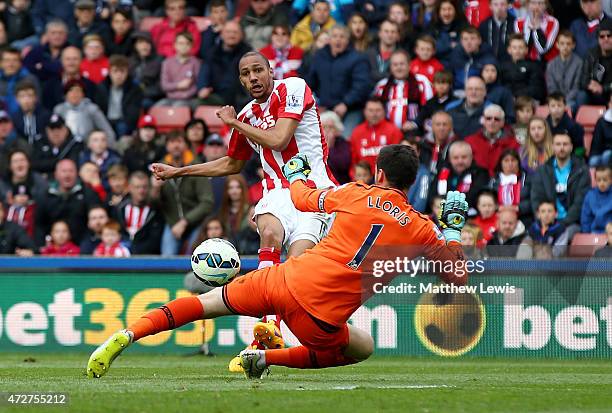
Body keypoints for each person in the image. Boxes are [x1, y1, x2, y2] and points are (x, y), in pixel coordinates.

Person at [87, 145, 469, 379]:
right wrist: (452, 229)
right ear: (412, 182)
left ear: (380, 174)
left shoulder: (355, 193)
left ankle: (129, 334)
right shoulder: (423, 230)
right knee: (361, 347)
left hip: (283, 279)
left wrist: (298, 172)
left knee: (205, 304)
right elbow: (456, 279)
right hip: (318, 318)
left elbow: (302, 198)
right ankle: (265, 358)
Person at [151, 51, 338, 369]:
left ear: (270, 71)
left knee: (295, 265)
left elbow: (279, 139)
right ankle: (269, 330)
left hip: (313, 189)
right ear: (240, 79)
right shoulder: (248, 114)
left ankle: (278, 331)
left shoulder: (293, 88)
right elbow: (231, 163)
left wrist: (234, 122)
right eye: (245, 74)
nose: (253, 78)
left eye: (258, 71)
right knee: (269, 232)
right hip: (277, 192)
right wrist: (177, 172)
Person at [151, 131, 214, 256]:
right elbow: (153, 205)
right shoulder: (160, 167)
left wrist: (185, 222)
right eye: (172, 142)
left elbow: (207, 202)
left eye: (179, 142)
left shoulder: (196, 166)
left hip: (197, 222)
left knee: (195, 256)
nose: (176, 146)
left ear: (185, 145)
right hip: (172, 223)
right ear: (167, 146)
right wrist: (155, 189)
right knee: (167, 259)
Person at [305, 24, 371, 136]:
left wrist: (345, 103)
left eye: (342, 37)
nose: (338, 40)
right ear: (329, 39)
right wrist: (315, 103)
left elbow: (361, 86)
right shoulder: (319, 56)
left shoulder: (358, 58)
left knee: (346, 138)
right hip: (325, 108)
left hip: (351, 109)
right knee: (318, 139)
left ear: (347, 40)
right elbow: (310, 82)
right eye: (335, 36)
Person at [530, 132, 591, 237]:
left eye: (565, 144)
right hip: (546, 222)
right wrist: (545, 220)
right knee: (527, 241)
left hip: (571, 224)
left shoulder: (582, 170)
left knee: (560, 240)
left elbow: (580, 203)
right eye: (558, 144)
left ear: (571, 147)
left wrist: (562, 224)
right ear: (552, 147)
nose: (561, 148)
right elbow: (536, 199)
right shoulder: (543, 170)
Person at [34, 158, 99, 246]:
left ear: (77, 174)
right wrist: (41, 247)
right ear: (56, 174)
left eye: (71, 171)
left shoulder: (88, 194)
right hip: (52, 248)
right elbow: (39, 225)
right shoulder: (45, 196)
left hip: (82, 248)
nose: (67, 175)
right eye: (64, 171)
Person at [196, 21, 252, 108]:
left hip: (240, 98)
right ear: (221, 34)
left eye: (235, 32)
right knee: (195, 104)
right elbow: (205, 72)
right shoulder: (212, 53)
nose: (231, 35)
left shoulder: (248, 54)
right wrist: (202, 88)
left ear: (241, 35)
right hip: (216, 94)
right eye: (228, 32)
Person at [374, 50, 432, 134]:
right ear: (390, 67)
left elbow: (429, 107)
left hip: (415, 131)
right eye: (395, 65)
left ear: (409, 65)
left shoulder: (421, 81)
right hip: (388, 134)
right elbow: (377, 111)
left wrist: (415, 123)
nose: (399, 67)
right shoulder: (382, 85)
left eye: (402, 64)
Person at [429, 140, 489, 214]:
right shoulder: (441, 172)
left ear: (471, 157)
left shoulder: (480, 173)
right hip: (440, 215)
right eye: (456, 158)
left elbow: (474, 198)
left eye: (464, 157)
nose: (460, 161)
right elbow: (432, 196)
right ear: (450, 159)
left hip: (469, 217)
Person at [53, 79, 116, 145]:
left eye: (78, 91)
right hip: (65, 148)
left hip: (88, 148)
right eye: (71, 91)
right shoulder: (59, 110)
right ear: (65, 95)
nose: (74, 94)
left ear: (83, 94)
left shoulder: (92, 109)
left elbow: (107, 131)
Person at [349, 97, 403, 174]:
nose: (374, 114)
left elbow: (397, 159)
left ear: (384, 111)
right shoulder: (357, 132)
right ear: (364, 112)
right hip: (363, 182)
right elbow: (353, 161)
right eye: (370, 110)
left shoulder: (394, 131)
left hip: (386, 180)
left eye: (378, 110)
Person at [465, 104, 520, 177]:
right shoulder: (470, 141)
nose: (492, 121)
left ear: (502, 123)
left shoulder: (513, 143)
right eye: (488, 118)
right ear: (483, 121)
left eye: (496, 119)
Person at [116, 171, 164, 254]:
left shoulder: (155, 211)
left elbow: (155, 240)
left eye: (144, 187)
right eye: (137, 187)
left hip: (146, 259)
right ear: (130, 188)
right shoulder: (120, 209)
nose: (141, 191)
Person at [95, 54, 143, 137]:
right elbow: (98, 109)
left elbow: (133, 113)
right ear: (109, 72)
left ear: (127, 72)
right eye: (115, 71)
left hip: (123, 121)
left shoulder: (134, 89)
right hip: (106, 121)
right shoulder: (101, 87)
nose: (119, 75)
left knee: (122, 127)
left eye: (122, 71)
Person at [447, 26, 497, 95]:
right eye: (465, 39)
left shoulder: (488, 57)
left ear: (479, 40)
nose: (469, 42)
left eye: (472, 39)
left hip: (480, 94)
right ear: (461, 42)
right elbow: (449, 75)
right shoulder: (455, 55)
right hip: (457, 93)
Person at [158, 31, 201, 107]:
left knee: (178, 107)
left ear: (191, 46)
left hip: (188, 99)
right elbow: (164, 85)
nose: (184, 46)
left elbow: (198, 85)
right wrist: (178, 85)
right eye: (181, 43)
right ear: (175, 45)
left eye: (187, 43)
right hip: (170, 98)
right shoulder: (167, 63)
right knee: (157, 108)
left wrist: (186, 94)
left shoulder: (196, 63)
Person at [499, 34, 545, 102]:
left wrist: (516, 96)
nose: (517, 50)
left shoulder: (534, 65)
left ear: (526, 50)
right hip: (507, 99)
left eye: (520, 47)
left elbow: (536, 89)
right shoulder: (502, 66)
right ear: (509, 50)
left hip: (528, 100)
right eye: (514, 47)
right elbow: (499, 86)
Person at [579, 18, 612, 105]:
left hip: (609, 93)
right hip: (595, 93)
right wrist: (589, 85)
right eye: (602, 36)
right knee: (582, 95)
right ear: (598, 39)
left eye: (609, 36)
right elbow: (583, 79)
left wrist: (603, 88)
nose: (606, 39)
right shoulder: (591, 54)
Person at [129, 31, 164, 110]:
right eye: (141, 42)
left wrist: (142, 93)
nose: (144, 45)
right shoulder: (130, 61)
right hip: (132, 97)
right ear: (135, 46)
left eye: (147, 42)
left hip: (151, 97)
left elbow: (160, 86)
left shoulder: (159, 61)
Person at [427, 0, 468, 66]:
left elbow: (465, 47)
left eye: (450, 9)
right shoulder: (432, 27)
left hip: (459, 64)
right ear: (438, 12)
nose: (447, 13)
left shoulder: (464, 26)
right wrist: (449, 46)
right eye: (443, 9)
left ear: (455, 11)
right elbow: (429, 48)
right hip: (436, 65)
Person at [0, 47, 40, 116]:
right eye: (7, 60)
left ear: (20, 63)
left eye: (15, 60)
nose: (11, 64)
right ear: (1, 63)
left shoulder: (30, 80)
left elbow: (37, 103)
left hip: (24, 119)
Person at [11, 80, 50, 144]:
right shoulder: (14, 118)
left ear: (36, 97)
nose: (26, 100)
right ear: (16, 99)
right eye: (22, 96)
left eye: (30, 95)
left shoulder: (46, 116)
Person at [321, 110, 351, 184]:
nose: (327, 130)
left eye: (331, 127)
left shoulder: (342, 143)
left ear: (337, 130)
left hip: (340, 183)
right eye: (324, 127)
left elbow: (343, 165)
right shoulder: (315, 143)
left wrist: (329, 148)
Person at [218, 174, 251, 241]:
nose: (234, 191)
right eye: (231, 188)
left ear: (243, 189)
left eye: (238, 187)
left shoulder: (250, 211)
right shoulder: (222, 212)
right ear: (226, 190)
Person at [581, 165, 612, 233]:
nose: (602, 183)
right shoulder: (590, 195)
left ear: (611, 180)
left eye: (605, 180)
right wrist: (586, 233)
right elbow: (585, 217)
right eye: (599, 180)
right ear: (595, 180)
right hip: (594, 232)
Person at [590, 92, 612, 166]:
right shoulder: (602, 121)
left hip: (608, 154)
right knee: (593, 161)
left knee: (607, 155)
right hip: (603, 153)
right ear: (609, 104)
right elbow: (596, 144)